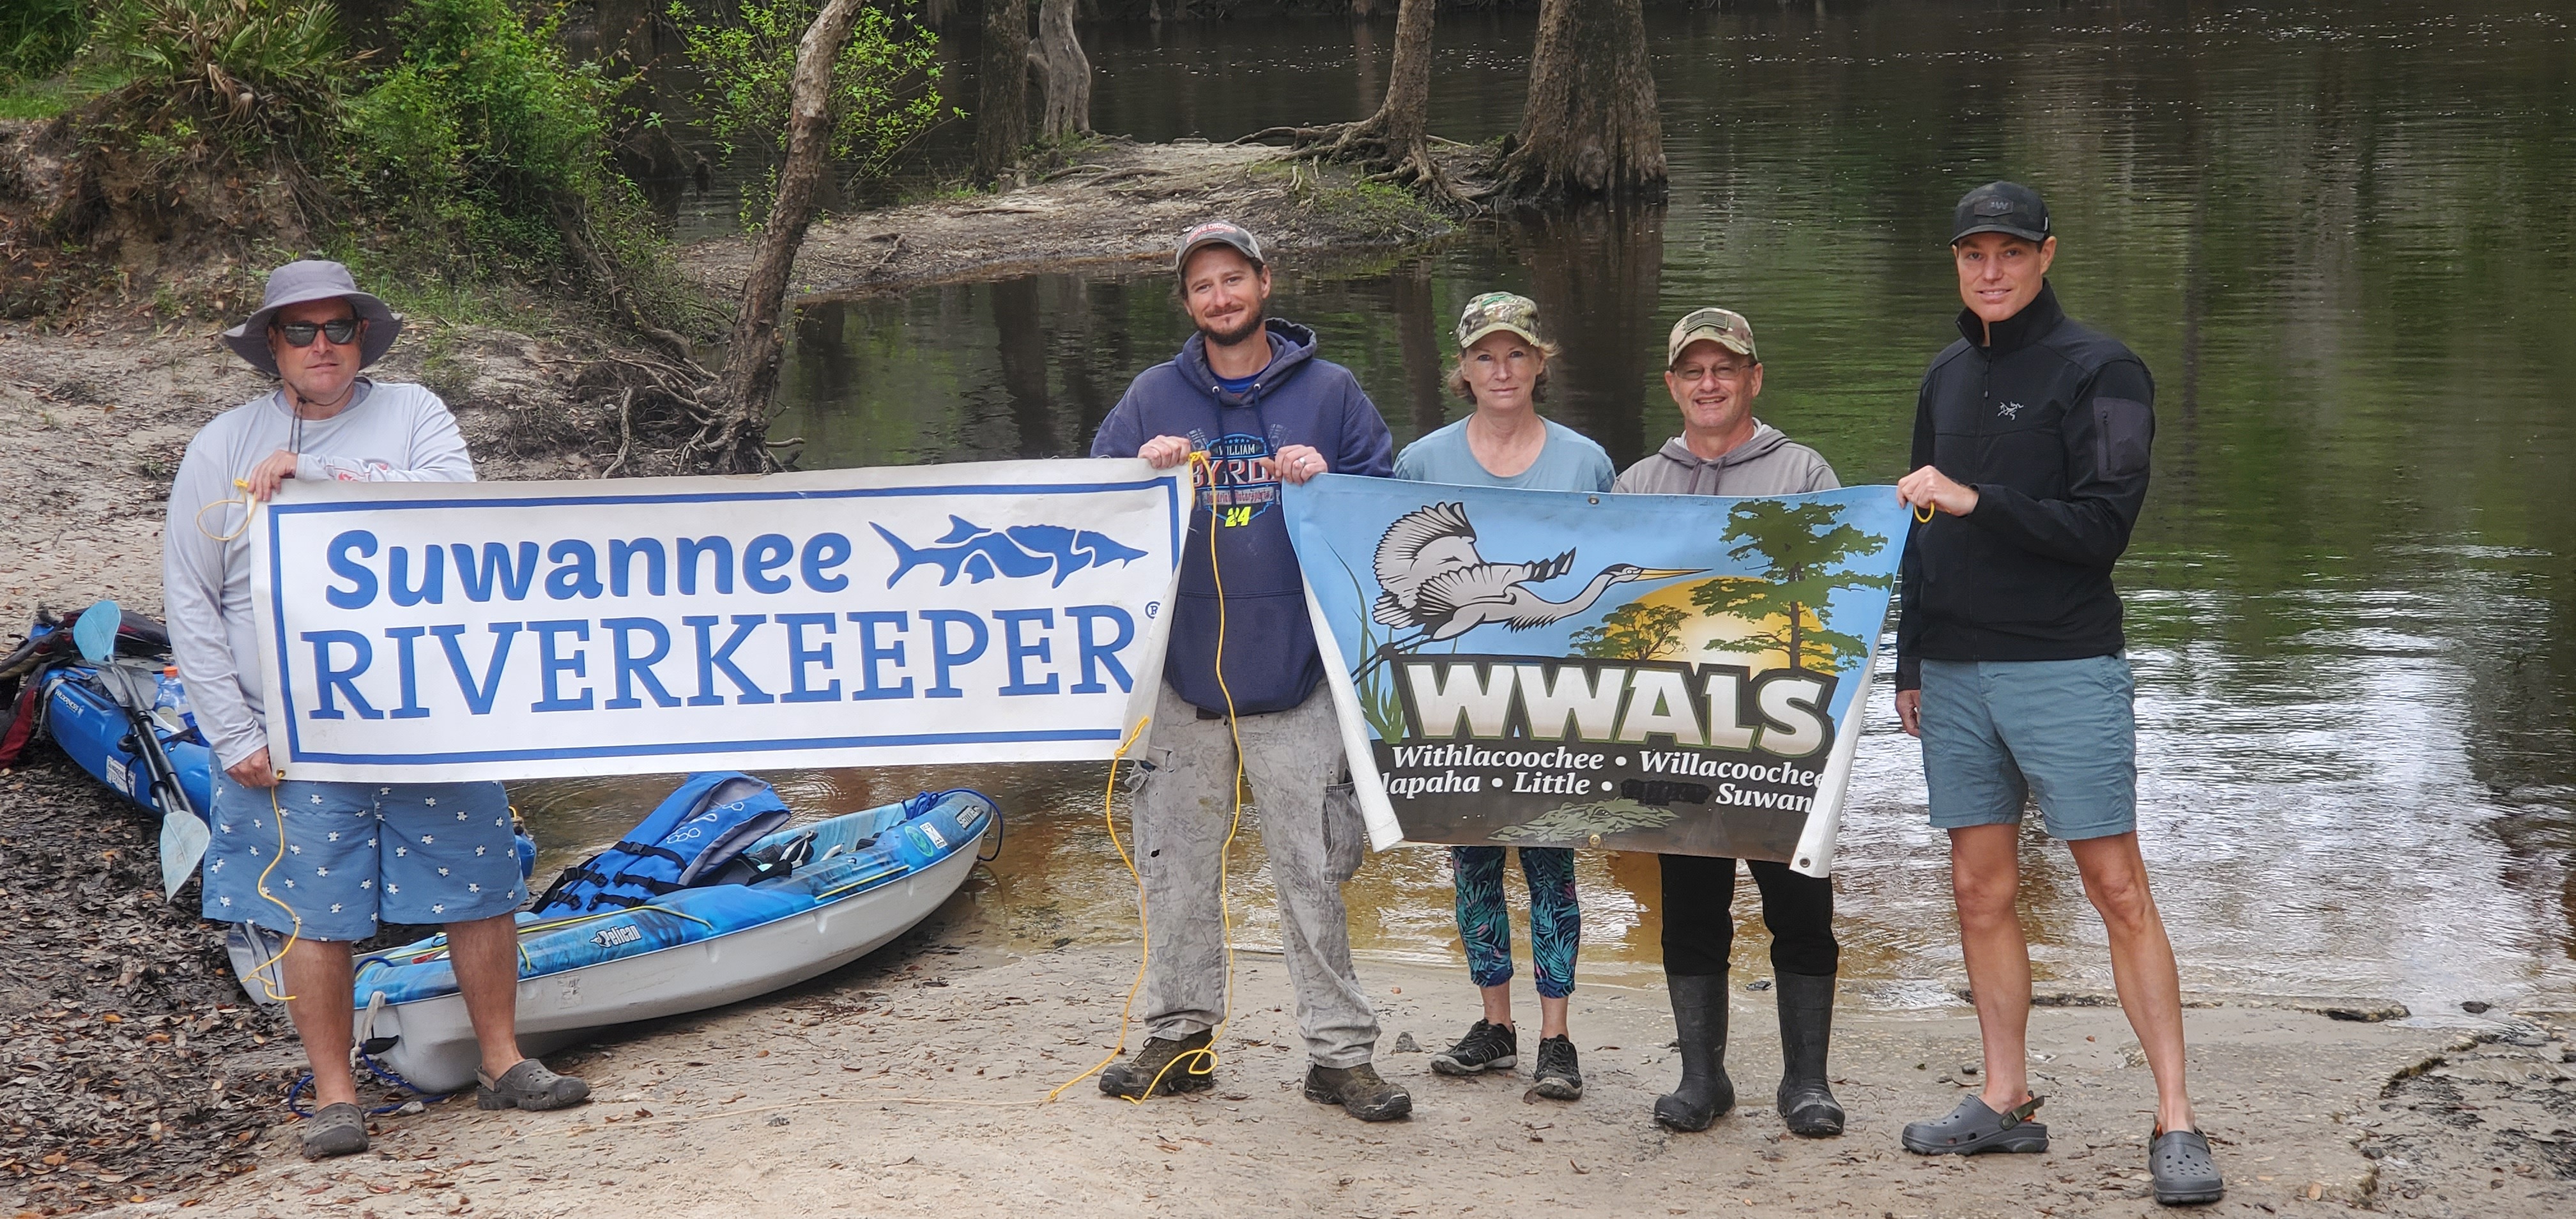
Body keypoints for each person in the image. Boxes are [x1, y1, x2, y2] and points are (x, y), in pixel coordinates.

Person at [164, 261, 590, 1160]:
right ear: (271, 347)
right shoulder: (221, 446)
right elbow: (191, 599)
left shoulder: (416, 416)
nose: (323, 347)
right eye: (301, 331)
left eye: (338, 329)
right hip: (291, 733)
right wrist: (231, 731)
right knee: (311, 909)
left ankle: (503, 1063)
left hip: (427, 714)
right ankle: (335, 1096)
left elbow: (457, 510)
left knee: (482, 885)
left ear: (363, 335)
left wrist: (315, 472)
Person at [1891, 182, 2222, 1206]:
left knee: (2117, 887)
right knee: (1978, 891)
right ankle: (2004, 1100)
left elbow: (2102, 527)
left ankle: (2176, 1119)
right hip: (1952, 674)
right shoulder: (1947, 373)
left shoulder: (2102, 368)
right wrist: (1909, 661)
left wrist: (1975, 498)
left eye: (2009, 252)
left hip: (2063, 663)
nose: (1990, 271)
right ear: (1956, 261)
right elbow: (1917, 525)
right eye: (1972, 253)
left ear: (2045, 255)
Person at [1086, 222, 1409, 1121]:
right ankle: (1180, 1040)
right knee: (1175, 869)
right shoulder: (1153, 395)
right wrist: (1133, 471)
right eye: (1202, 287)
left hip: (1299, 680)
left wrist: (1329, 479)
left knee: (1314, 869)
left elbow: (1385, 512)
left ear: (1266, 282)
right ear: (1187, 304)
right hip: (1183, 686)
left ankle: (1339, 1057)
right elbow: (1086, 507)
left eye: (1234, 279)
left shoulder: (1333, 392)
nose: (1220, 298)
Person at [1613, 307, 1847, 1137]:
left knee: (1800, 909)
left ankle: (1807, 1083)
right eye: (1693, 371)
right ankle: (1701, 1079)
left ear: (1753, 378)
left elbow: (1840, 598)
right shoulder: (1638, 484)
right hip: (1676, 734)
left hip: (1781, 732)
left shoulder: (1805, 471)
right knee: (1690, 910)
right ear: (1673, 383)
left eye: (1725, 369)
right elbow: (1610, 613)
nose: (1709, 385)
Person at [1392, 292, 1613, 1101]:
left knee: (1551, 867)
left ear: (1540, 362)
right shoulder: (1421, 463)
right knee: (1474, 863)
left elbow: (1609, 577)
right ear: (1463, 369)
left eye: (1516, 354)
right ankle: (1496, 1026)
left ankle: (1558, 1040)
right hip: (1454, 703)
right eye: (1485, 356)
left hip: (1556, 704)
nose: (1501, 370)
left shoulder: (1586, 462)